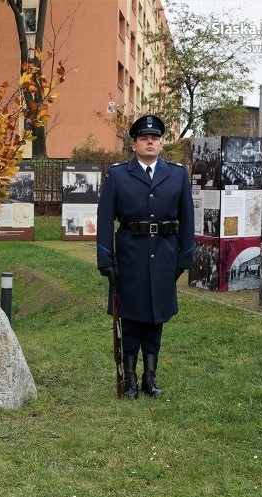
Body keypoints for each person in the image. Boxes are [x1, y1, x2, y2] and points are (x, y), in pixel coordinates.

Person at [96, 115, 194, 399]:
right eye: (143, 138)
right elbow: (104, 221)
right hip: (130, 256)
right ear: (134, 145)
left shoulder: (176, 174)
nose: (149, 142)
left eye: (154, 138)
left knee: (155, 317)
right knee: (130, 317)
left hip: (164, 255)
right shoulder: (118, 175)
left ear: (162, 143)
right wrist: (106, 260)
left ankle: (149, 378)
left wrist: (184, 257)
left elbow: (187, 219)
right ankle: (129, 380)